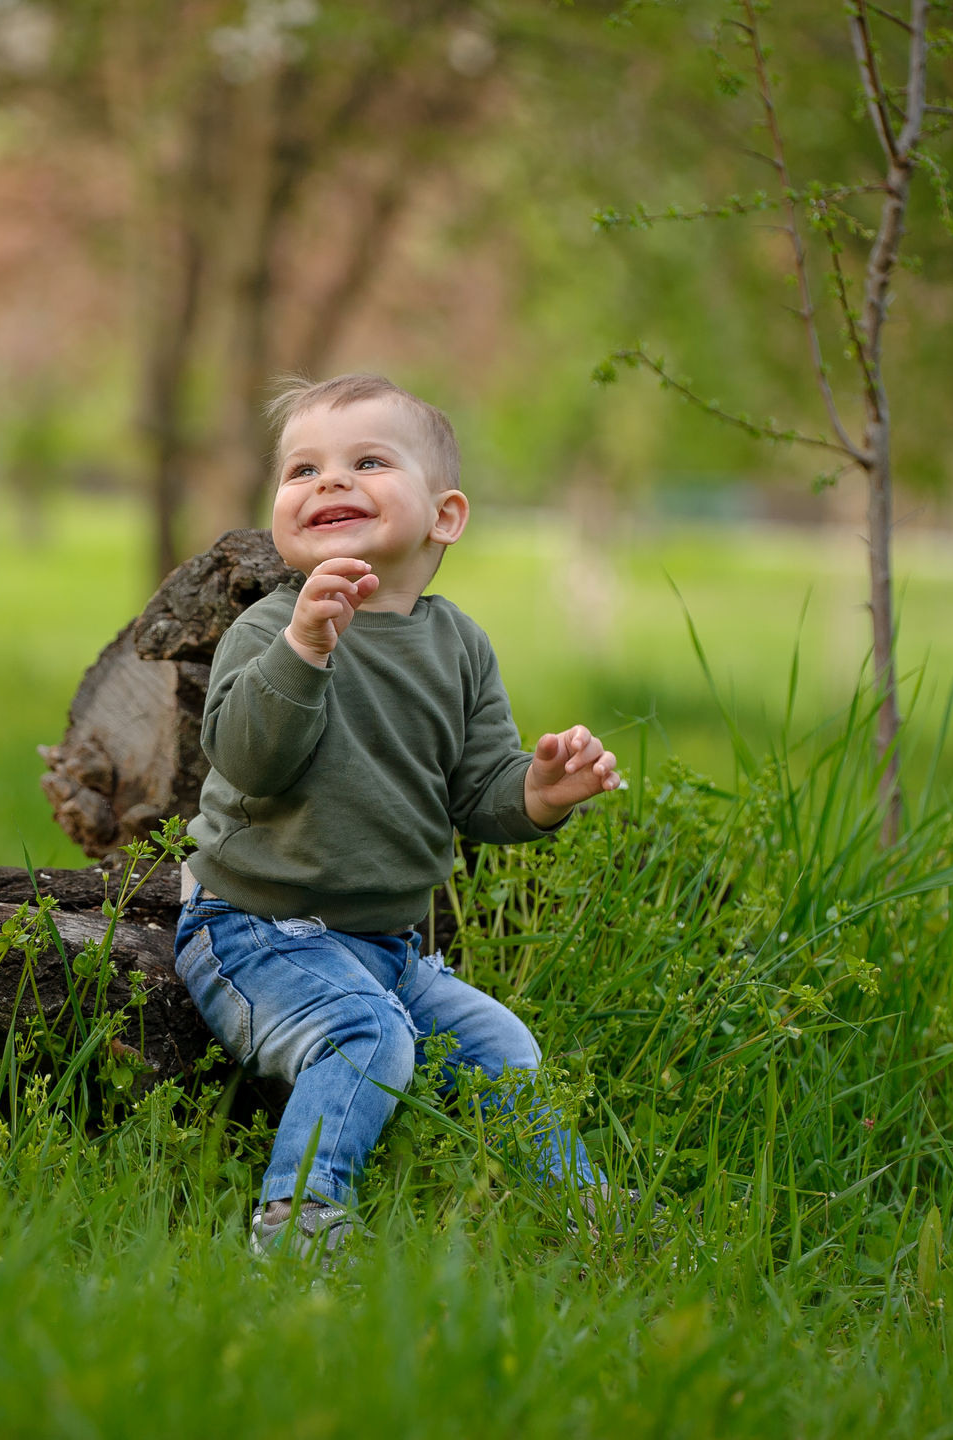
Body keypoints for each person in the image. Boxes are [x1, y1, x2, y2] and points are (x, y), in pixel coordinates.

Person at [176, 372, 624, 1259]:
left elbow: (475, 789)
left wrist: (538, 793)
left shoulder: (456, 645)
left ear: (444, 516)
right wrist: (306, 650)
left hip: (392, 948)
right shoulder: (271, 629)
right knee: (365, 1033)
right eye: (302, 469)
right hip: (255, 929)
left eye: (366, 461)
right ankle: (299, 1219)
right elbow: (247, 761)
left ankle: (590, 1213)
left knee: (504, 1044)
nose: (328, 482)